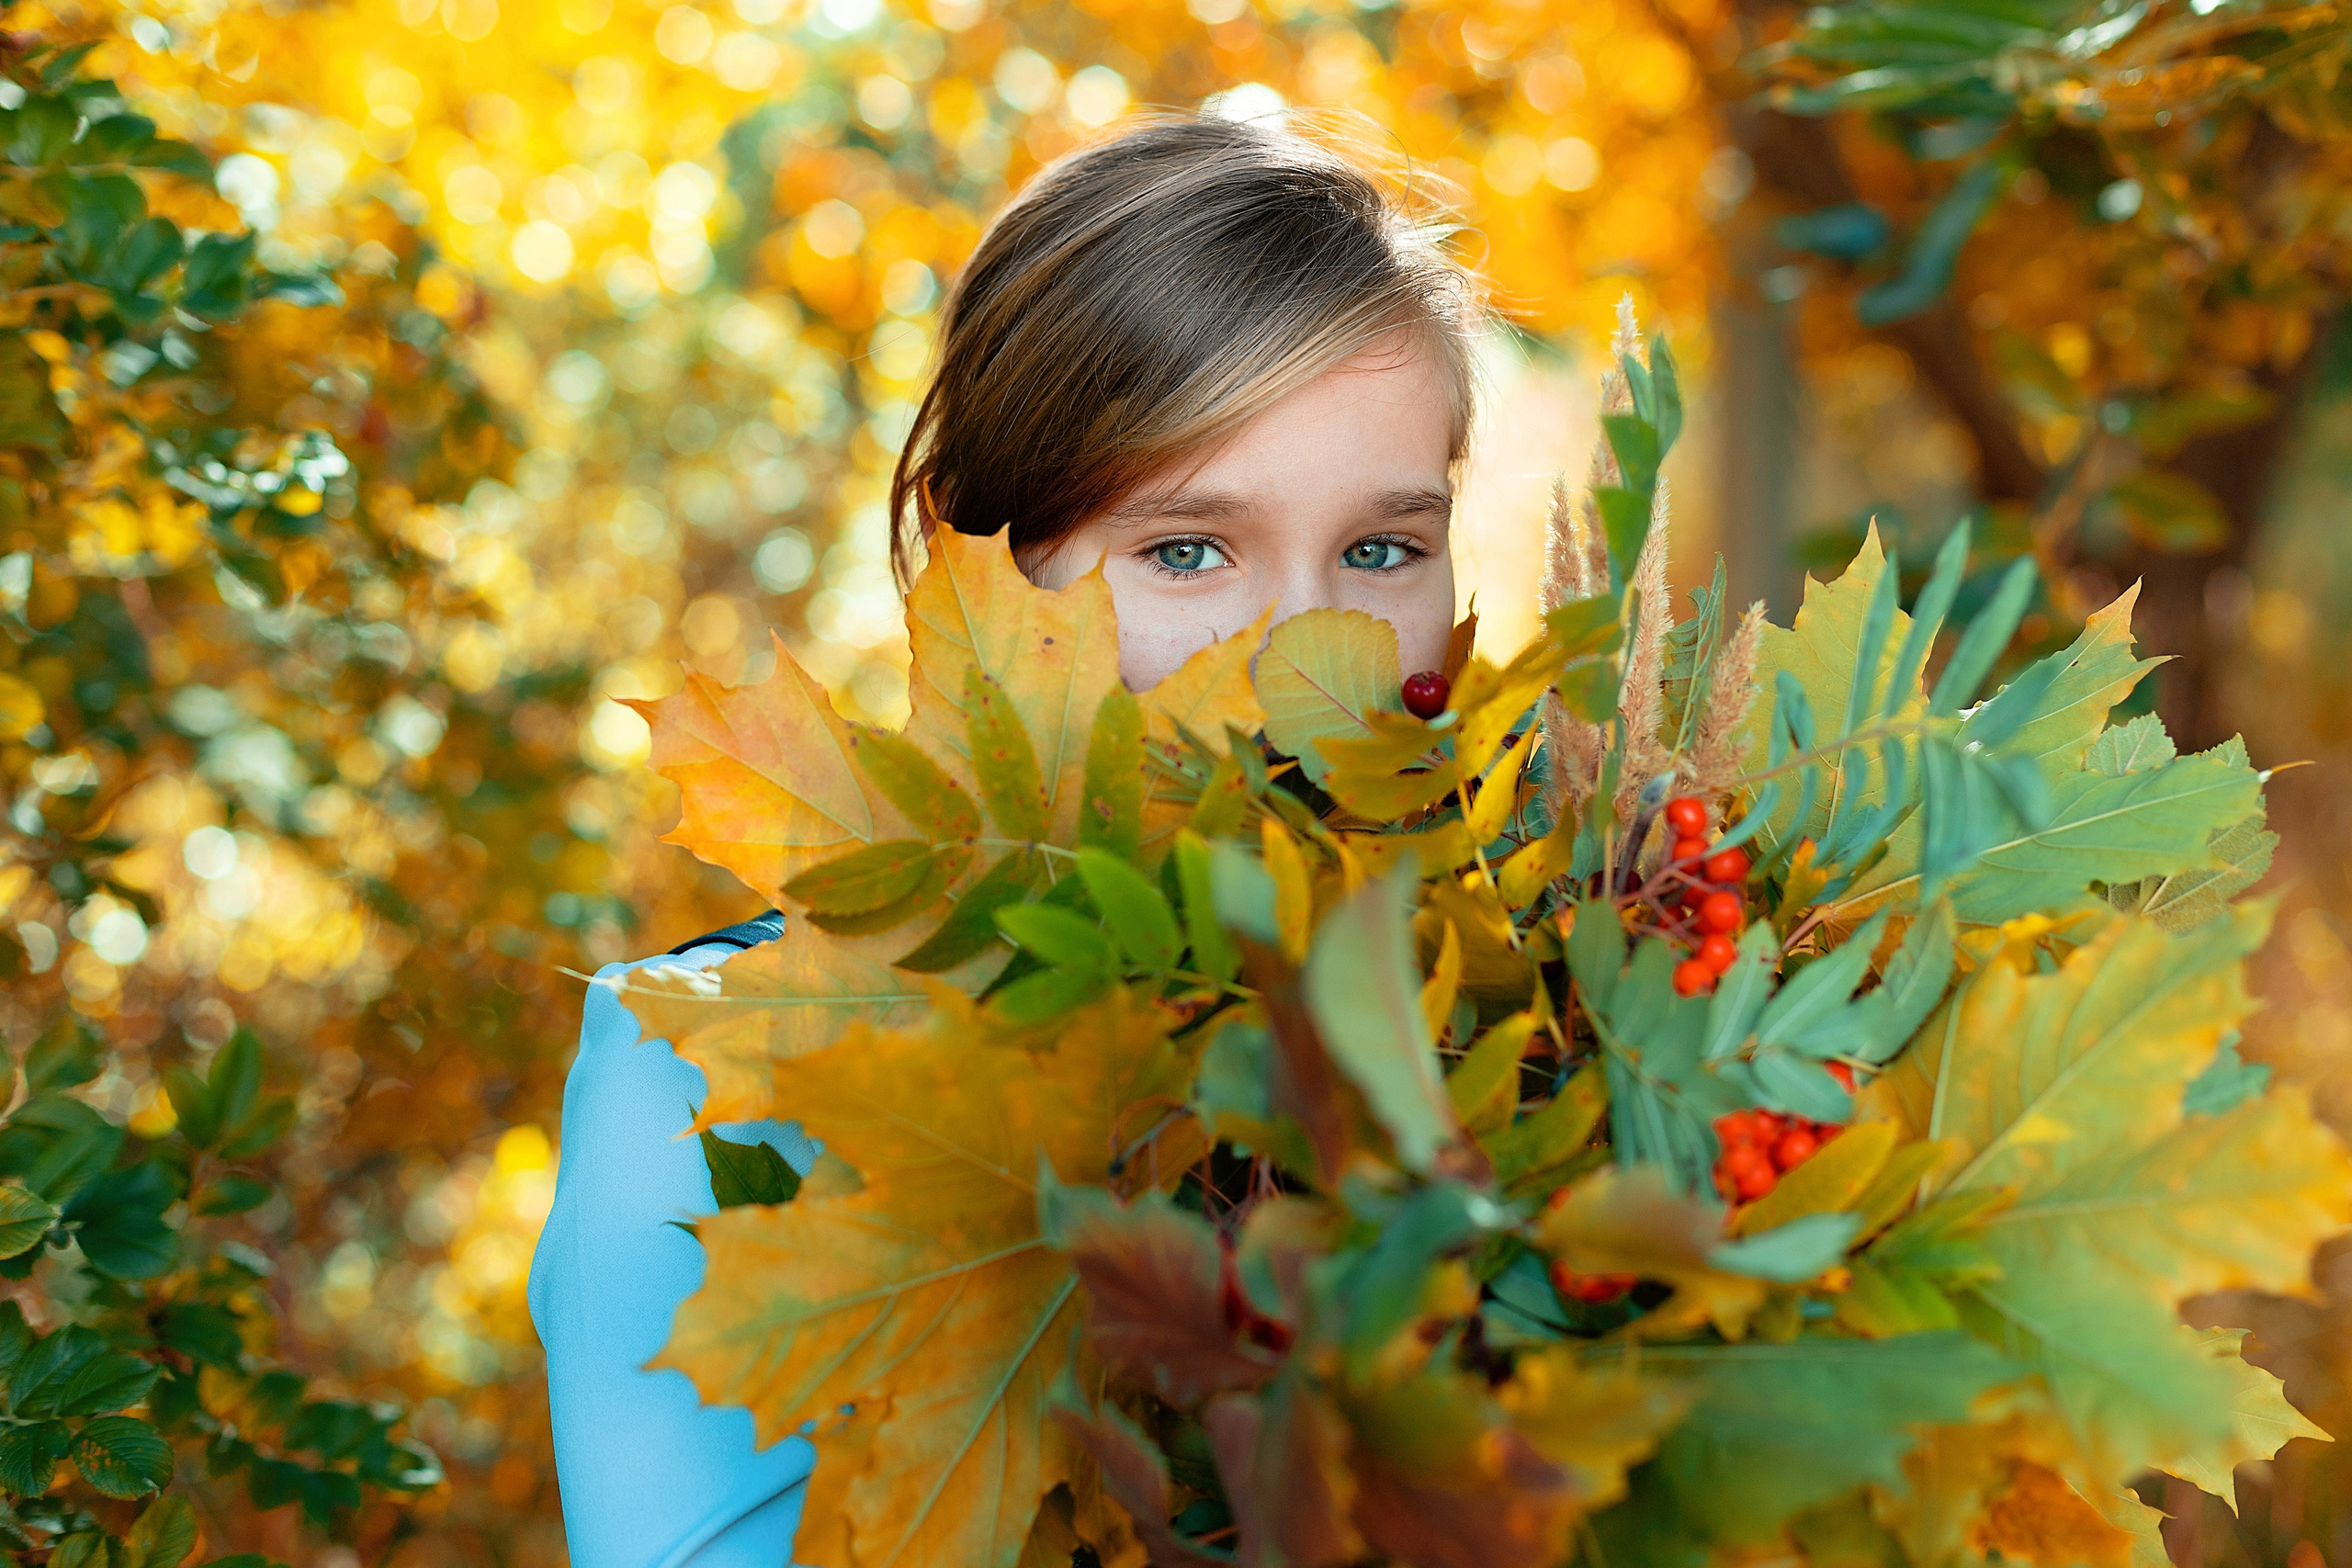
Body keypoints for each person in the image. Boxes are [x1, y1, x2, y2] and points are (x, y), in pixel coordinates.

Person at [527, 109, 1487, 1567]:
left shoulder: (1548, 1018)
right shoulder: (712, 1073)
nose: (1307, 651)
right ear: (974, 571)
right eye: (1186, 551)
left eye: (1381, 550)